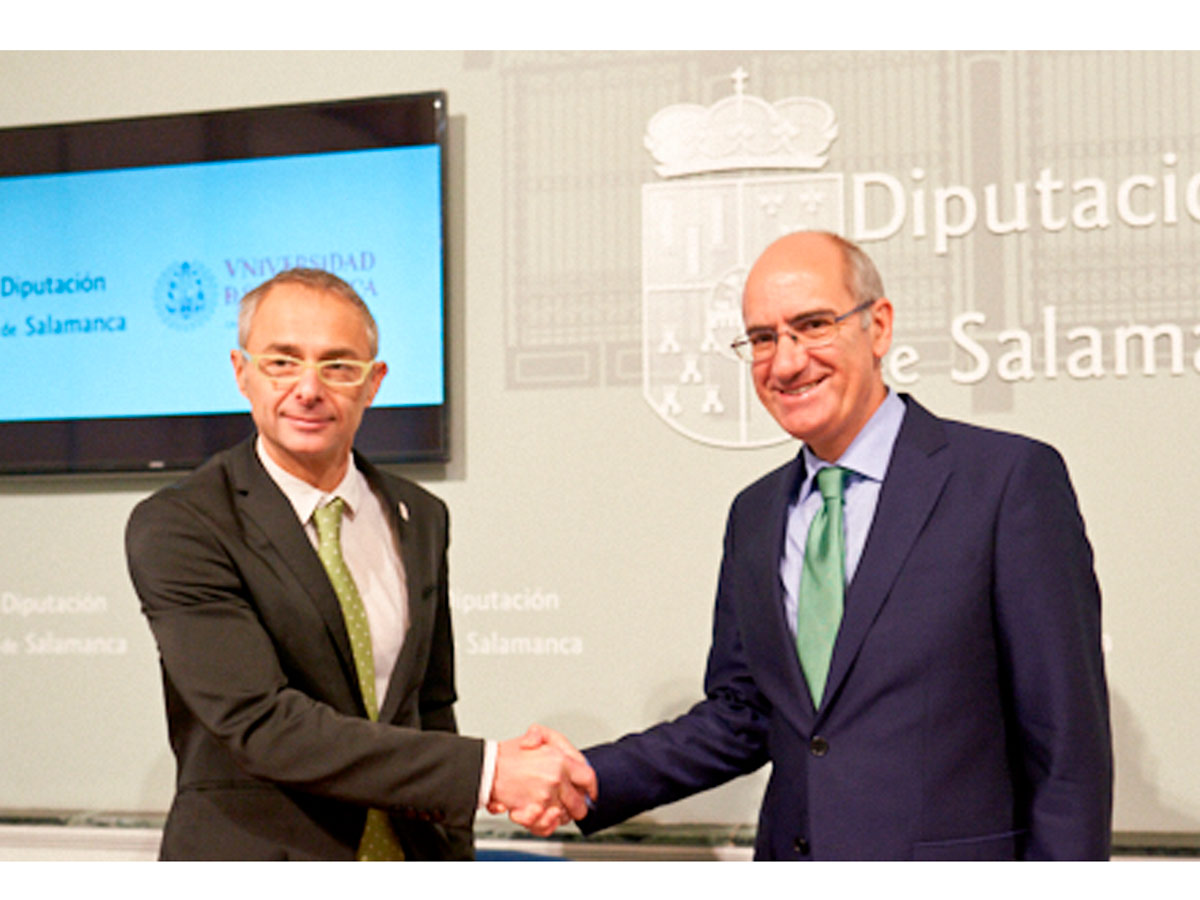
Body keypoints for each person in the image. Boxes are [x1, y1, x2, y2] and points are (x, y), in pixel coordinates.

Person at [530, 231, 1112, 860]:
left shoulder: (1006, 482)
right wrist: (591, 776)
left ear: (878, 327)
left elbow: (1067, 750)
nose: (785, 363)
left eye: (812, 326)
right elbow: (744, 714)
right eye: (763, 338)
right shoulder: (754, 514)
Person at [126, 268, 593, 860]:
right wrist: (489, 772)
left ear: (374, 383)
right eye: (282, 362)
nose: (308, 388)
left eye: (339, 366)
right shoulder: (183, 523)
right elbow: (262, 724)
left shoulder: (421, 515)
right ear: (242, 373)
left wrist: (453, 851)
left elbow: (430, 706)